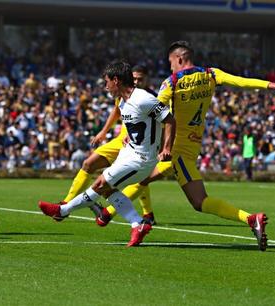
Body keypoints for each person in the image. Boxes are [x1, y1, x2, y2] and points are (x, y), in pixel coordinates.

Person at [98, 41, 275, 251]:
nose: (170, 66)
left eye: (171, 62)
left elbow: (152, 111)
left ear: (180, 59)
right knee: (174, 191)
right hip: (193, 144)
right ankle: (251, 219)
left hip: (175, 149)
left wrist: (130, 133)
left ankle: (110, 213)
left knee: (187, 196)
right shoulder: (211, 74)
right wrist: (272, 85)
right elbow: (240, 81)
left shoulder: (172, 82)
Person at [38, 60, 176, 247]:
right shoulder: (123, 103)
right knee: (107, 188)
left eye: (107, 82)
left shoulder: (143, 98)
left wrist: (166, 147)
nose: (105, 86)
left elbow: (169, 119)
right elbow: (138, 124)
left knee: (101, 183)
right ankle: (138, 225)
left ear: (116, 80)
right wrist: (130, 137)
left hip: (142, 159)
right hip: (129, 153)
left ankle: (62, 210)